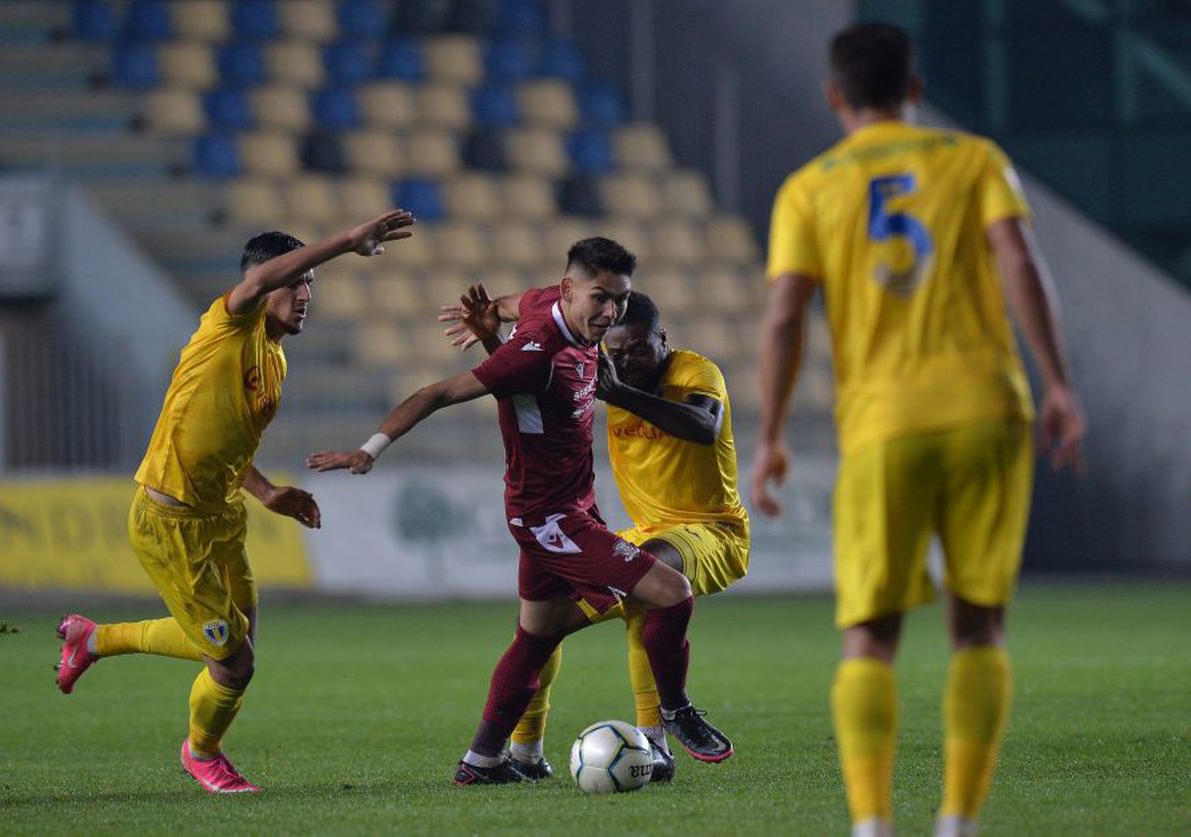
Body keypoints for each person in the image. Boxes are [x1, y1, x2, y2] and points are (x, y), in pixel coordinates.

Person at [752, 22, 1085, 837]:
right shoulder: (974, 159)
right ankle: (959, 819)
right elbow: (1018, 259)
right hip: (987, 409)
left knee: (870, 634)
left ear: (835, 95)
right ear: (914, 87)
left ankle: (872, 823)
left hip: (884, 425)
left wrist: (769, 434)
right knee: (979, 624)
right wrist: (1060, 383)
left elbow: (785, 315)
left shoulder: (808, 187)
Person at [307, 238, 733, 784]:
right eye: (600, 299)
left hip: (569, 508)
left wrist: (488, 320)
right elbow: (437, 393)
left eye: (620, 301)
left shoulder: (544, 307)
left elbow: (511, 303)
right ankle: (674, 710)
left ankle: (482, 761)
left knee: (537, 637)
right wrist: (368, 450)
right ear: (569, 290)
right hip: (551, 518)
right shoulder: (535, 351)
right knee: (671, 594)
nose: (610, 314)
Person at [54, 210, 415, 794]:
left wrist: (268, 492)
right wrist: (347, 241)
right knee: (232, 662)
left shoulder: (274, 359)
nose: (305, 296)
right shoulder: (228, 327)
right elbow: (254, 285)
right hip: (170, 519)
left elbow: (223, 440)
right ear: (269, 284)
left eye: (311, 288)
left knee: (236, 639)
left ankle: (93, 640)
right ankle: (202, 754)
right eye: (297, 285)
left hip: (221, 513)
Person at [441, 288, 748, 782]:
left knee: (650, 579)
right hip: (637, 531)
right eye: (616, 352)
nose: (625, 362)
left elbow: (703, 427)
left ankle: (660, 732)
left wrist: (619, 392)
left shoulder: (694, 372)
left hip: (711, 531)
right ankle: (520, 751)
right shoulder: (596, 370)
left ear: (662, 339)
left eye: (637, 350)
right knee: (546, 627)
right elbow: (527, 385)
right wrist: (493, 336)